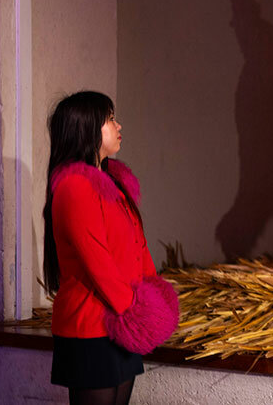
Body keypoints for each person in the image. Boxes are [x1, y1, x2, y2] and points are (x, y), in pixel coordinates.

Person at [43, 91, 166, 405]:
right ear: (86, 129)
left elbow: (138, 248)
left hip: (121, 323)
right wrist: (136, 312)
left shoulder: (113, 184)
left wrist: (154, 297)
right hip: (91, 327)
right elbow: (98, 263)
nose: (118, 125)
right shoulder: (74, 186)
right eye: (110, 119)